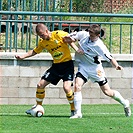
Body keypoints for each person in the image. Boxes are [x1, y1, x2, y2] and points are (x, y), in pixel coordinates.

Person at [63, 24, 131, 118]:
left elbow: (110, 57)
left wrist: (116, 65)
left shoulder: (99, 46)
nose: (89, 36)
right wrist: (76, 47)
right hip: (83, 66)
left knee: (107, 92)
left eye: (92, 35)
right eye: (89, 33)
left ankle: (125, 103)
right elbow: (67, 39)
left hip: (95, 69)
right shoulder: (84, 34)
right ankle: (78, 113)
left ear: (98, 35)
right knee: (77, 86)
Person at [15, 23, 76, 117]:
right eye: (40, 36)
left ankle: (73, 110)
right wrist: (23, 56)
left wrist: (77, 49)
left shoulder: (59, 34)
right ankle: (38, 107)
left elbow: (71, 40)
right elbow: (35, 51)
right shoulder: (43, 42)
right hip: (56, 66)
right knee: (40, 85)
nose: (42, 37)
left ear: (47, 31)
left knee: (66, 87)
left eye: (42, 35)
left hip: (67, 65)